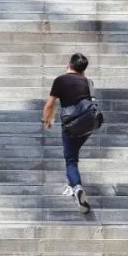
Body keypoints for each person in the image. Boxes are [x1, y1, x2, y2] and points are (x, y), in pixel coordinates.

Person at [43, 52, 95, 214]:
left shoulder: (61, 80)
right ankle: (71, 183)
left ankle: (76, 187)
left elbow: (49, 105)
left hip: (71, 125)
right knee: (73, 152)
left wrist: (47, 120)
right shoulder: (88, 82)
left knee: (70, 160)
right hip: (89, 124)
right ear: (84, 69)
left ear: (69, 64)